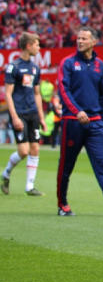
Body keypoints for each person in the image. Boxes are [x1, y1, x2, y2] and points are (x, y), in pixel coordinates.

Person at [55, 27, 103, 217]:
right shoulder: (68, 63)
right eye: (78, 38)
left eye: (84, 38)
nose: (80, 41)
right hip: (73, 121)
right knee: (66, 165)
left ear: (93, 42)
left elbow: (102, 95)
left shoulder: (99, 65)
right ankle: (62, 203)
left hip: (95, 122)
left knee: (102, 164)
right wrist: (76, 110)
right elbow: (63, 91)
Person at [3, 32, 46, 196]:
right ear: (28, 46)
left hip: (33, 113)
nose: (39, 47)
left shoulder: (35, 68)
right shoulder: (13, 67)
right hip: (19, 112)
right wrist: (14, 117)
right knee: (23, 151)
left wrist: (41, 117)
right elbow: (8, 94)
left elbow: (37, 93)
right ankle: (6, 174)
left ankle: (29, 186)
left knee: (35, 148)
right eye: (37, 44)